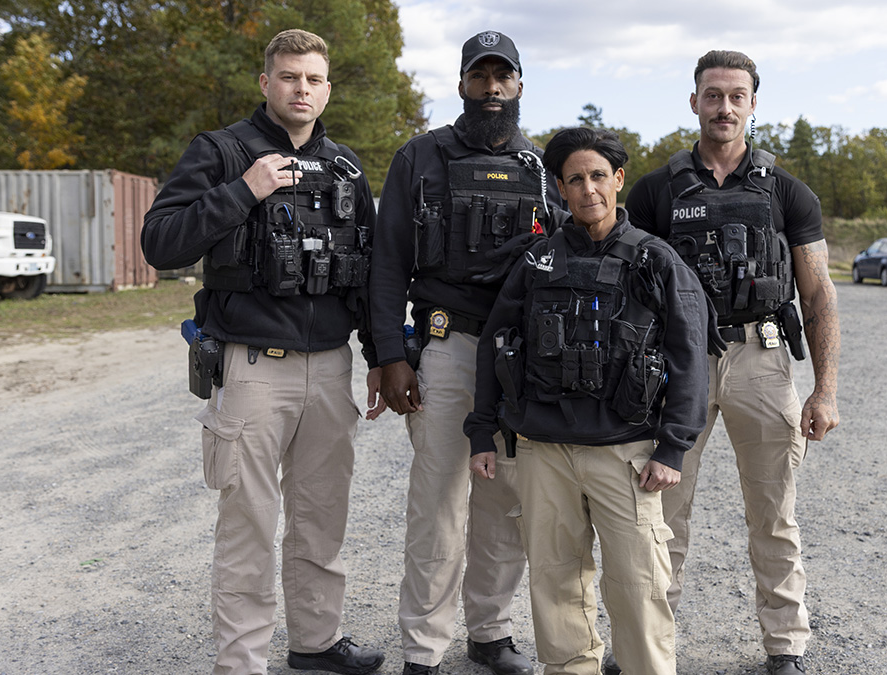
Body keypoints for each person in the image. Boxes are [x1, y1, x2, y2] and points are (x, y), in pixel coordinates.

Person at [141, 29, 386, 675]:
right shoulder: (222, 153)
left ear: (326, 88)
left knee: (321, 518)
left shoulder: (347, 168)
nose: (300, 89)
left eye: (312, 79)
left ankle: (315, 642)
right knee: (248, 525)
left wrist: (384, 357)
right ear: (266, 83)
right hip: (252, 368)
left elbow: (367, 274)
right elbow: (160, 242)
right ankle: (241, 661)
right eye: (288, 76)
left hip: (331, 367)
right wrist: (242, 190)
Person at [621, 50, 841, 675]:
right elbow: (627, 284)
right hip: (676, 364)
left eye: (736, 95)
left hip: (762, 356)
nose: (723, 107)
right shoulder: (656, 190)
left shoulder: (787, 192)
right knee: (659, 513)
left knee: (774, 514)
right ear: (694, 102)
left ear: (752, 104)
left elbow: (819, 291)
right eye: (712, 95)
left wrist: (824, 389)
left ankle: (786, 646)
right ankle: (647, 646)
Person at [464, 126, 708, 675]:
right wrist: (482, 431)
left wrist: (672, 449)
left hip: (625, 456)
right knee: (555, 589)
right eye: (575, 179)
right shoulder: (537, 262)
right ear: (560, 189)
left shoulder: (656, 260)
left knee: (639, 590)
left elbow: (690, 356)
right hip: (543, 452)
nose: (588, 189)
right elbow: (495, 346)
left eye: (598, 176)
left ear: (618, 180)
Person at [369, 30, 562, 675]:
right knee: (438, 502)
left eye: (501, 77)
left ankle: (490, 631)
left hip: (517, 357)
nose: (490, 89)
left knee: (505, 500)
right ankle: (424, 648)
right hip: (446, 344)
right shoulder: (418, 158)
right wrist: (390, 353)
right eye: (479, 77)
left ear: (518, 86)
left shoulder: (543, 169)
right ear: (460, 84)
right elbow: (387, 263)